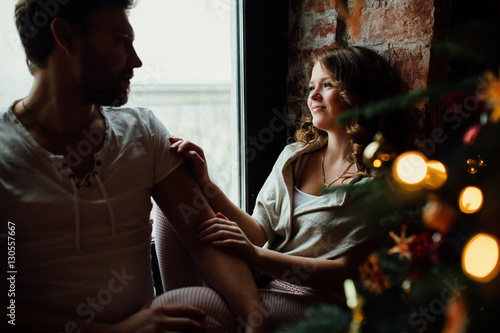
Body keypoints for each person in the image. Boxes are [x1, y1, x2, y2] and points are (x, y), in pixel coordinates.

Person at [0, 1, 270, 332]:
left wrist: (256, 316)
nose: (136, 60)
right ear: (65, 36)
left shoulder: (142, 131)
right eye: (120, 40)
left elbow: (206, 241)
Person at [161, 45, 408, 330]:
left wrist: (254, 256)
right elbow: (257, 231)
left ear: (359, 94)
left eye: (327, 85)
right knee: (172, 203)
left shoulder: (380, 184)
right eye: (312, 86)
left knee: (181, 305)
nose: (313, 96)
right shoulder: (295, 156)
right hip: (261, 278)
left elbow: (342, 273)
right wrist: (206, 185)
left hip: (316, 299)